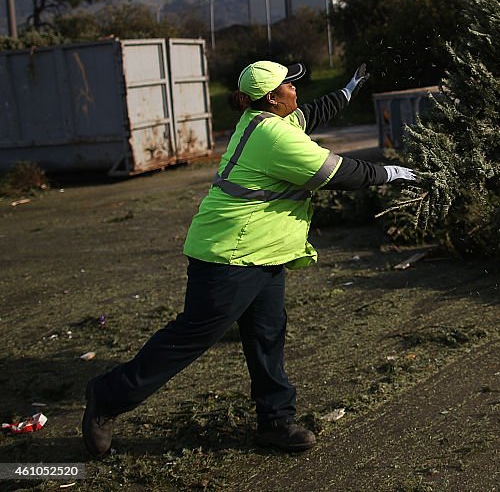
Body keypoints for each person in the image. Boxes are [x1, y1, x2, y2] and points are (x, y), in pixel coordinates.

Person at [82, 60, 417, 456]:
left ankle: (276, 422)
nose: (297, 88)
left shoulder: (266, 119)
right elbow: (337, 172)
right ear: (273, 98)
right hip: (230, 255)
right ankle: (107, 398)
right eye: (290, 84)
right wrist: (396, 173)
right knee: (192, 337)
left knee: (266, 336)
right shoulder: (272, 137)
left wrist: (346, 92)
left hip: (264, 253)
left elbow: (310, 114)